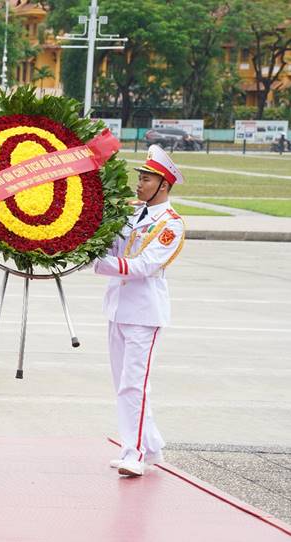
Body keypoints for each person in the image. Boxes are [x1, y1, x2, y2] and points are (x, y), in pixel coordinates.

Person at [94, 145, 186, 478]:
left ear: (164, 185)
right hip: (118, 309)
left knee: (135, 385)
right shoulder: (133, 215)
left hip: (144, 314)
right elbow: (114, 246)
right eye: (141, 178)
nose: (139, 184)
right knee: (124, 385)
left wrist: (100, 264)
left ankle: (134, 452)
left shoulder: (170, 225)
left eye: (146, 179)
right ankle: (152, 445)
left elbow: (144, 265)